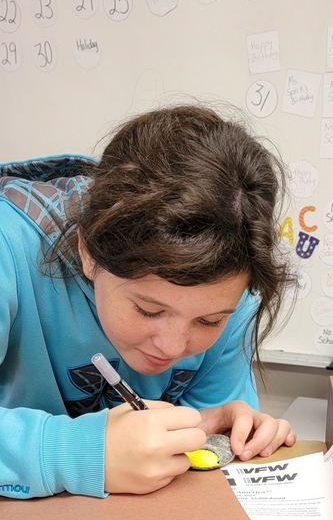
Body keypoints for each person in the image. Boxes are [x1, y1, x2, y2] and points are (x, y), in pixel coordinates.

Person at [0, 103, 296, 500]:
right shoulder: (8, 246)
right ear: (87, 251)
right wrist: (79, 454)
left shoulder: (231, 283)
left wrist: (207, 426)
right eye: (148, 310)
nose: (172, 347)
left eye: (209, 321)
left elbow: (199, 476)